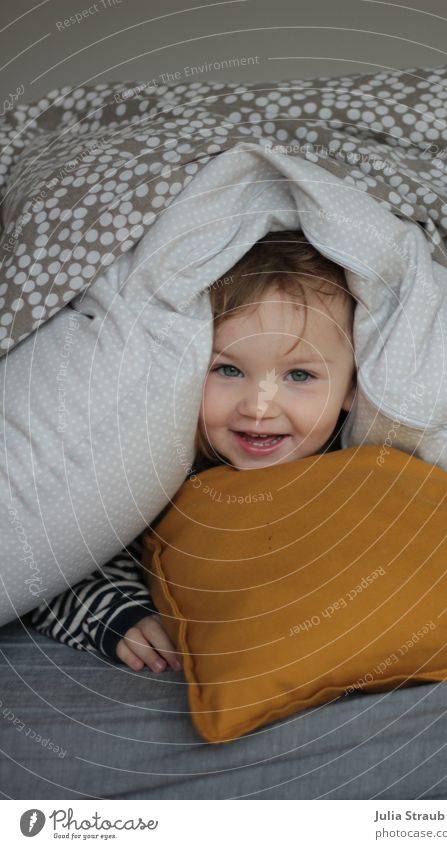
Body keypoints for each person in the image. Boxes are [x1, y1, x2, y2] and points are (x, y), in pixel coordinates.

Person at [24, 230, 358, 673]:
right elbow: (51, 561)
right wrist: (117, 615)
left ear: (352, 387)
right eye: (228, 369)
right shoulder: (166, 472)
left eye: (299, 376)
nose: (258, 406)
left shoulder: (361, 466)